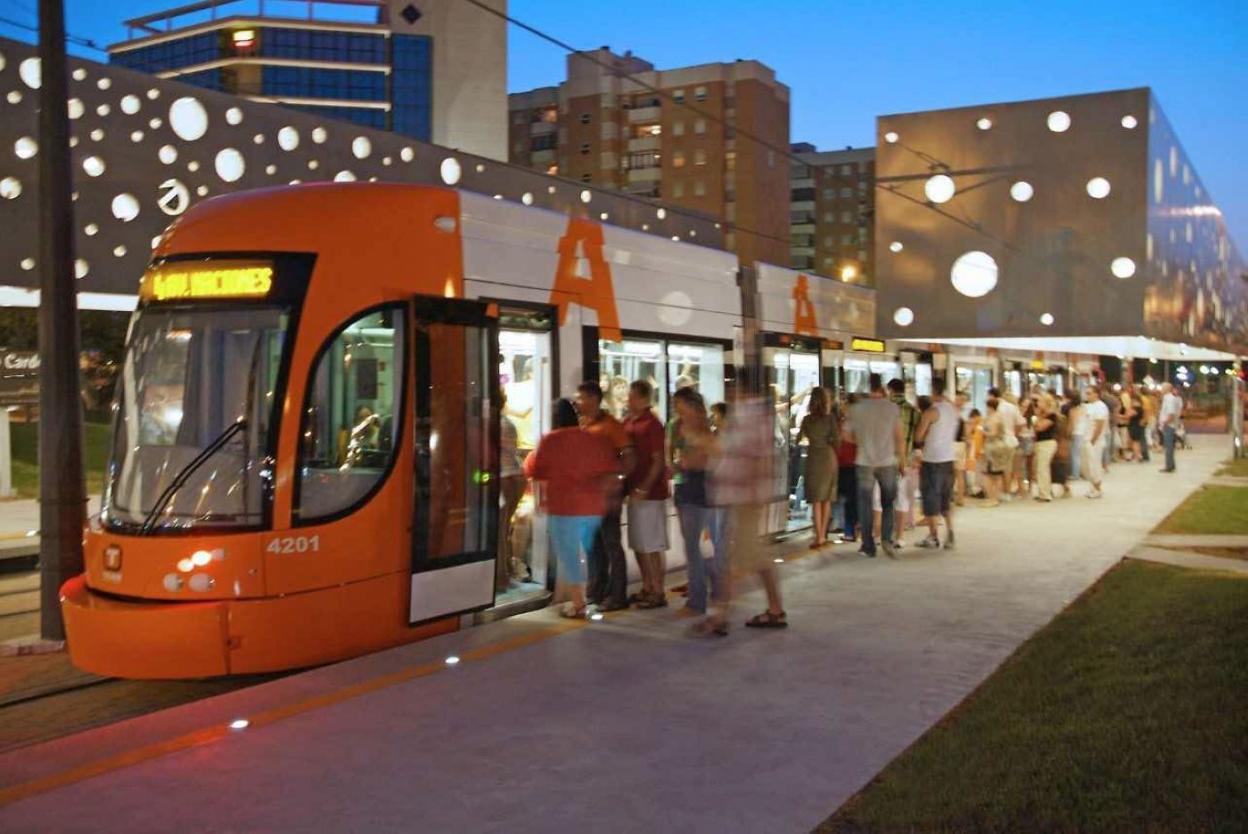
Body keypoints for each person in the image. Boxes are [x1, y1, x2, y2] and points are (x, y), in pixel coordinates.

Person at [524, 399, 620, 618]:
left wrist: (540, 503)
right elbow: (609, 471)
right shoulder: (592, 439)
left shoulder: (549, 441)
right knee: (589, 553)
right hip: (592, 508)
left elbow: (538, 475)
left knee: (570, 556)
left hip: (564, 508)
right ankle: (590, 595)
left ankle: (578, 603)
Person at [712, 384, 786, 632]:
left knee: (736, 560)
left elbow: (758, 460)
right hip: (744, 498)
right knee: (755, 557)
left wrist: (754, 493)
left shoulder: (750, 418)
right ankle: (774, 609)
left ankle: (720, 615)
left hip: (746, 499)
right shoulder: (749, 417)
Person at [576, 382, 635, 611]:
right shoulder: (583, 424)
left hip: (607, 495)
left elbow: (630, 456)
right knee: (592, 545)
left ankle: (617, 595)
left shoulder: (611, 426)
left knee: (611, 543)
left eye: (581, 398)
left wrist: (617, 480)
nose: (578, 402)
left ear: (593, 399)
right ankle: (595, 592)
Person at [671, 386, 726, 619]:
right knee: (695, 546)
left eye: (680, 406)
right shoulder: (679, 427)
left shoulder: (704, 432)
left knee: (694, 548)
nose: (677, 410)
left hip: (699, 489)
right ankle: (716, 589)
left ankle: (698, 600)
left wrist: (694, 463)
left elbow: (716, 457)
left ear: (692, 407)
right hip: (685, 487)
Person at [622, 380, 670, 609]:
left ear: (643, 399)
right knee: (639, 543)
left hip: (650, 494)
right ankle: (648, 586)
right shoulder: (629, 421)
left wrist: (644, 488)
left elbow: (658, 461)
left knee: (651, 544)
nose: (628, 401)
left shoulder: (652, 425)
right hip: (634, 491)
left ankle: (658, 590)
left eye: (631, 397)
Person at [847, 374, 903, 559]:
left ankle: (868, 545)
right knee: (888, 502)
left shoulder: (856, 409)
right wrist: (901, 459)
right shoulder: (892, 408)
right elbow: (899, 436)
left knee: (865, 503)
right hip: (887, 461)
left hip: (864, 461)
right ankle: (886, 539)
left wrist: (862, 441)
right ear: (882, 388)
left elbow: (846, 435)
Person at [914, 379, 958, 550]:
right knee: (946, 498)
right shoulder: (952, 410)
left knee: (931, 498)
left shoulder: (931, 412)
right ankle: (951, 531)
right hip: (948, 458)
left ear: (932, 390)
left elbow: (918, 436)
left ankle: (933, 536)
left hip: (932, 459)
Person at [799, 387, 839, 548]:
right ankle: (823, 535)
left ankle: (818, 536)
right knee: (827, 498)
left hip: (813, 458)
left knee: (816, 499)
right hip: (829, 458)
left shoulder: (807, 420)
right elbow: (837, 441)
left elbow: (798, 438)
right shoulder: (830, 419)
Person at [497, 391, 528, 591]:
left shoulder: (494, 424)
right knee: (505, 527)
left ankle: (501, 577)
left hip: (504, 477)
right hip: (516, 475)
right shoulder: (507, 423)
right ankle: (507, 570)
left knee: (499, 530)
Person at [887, 378, 921, 547]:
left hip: (883, 460)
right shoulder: (913, 411)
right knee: (901, 498)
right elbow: (919, 436)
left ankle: (881, 534)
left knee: (881, 499)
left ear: (890, 390)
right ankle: (900, 537)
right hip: (904, 461)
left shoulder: (884, 409)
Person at [988, 387, 1023, 498]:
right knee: (1008, 467)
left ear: (993, 396)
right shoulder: (1012, 407)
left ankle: (1001, 491)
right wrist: (1014, 433)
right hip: (1012, 440)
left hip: (999, 440)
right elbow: (1021, 423)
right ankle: (1008, 492)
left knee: (999, 468)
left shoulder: (996, 409)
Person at [1078, 387, 1110, 497]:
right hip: (1087, 439)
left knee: (1094, 465)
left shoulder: (1100, 407)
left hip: (1094, 441)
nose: (1087, 396)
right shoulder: (1090, 406)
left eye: (1089, 393)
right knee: (1089, 465)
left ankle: (1098, 488)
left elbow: (1100, 424)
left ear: (1096, 394)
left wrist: (1093, 439)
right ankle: (1092, 487)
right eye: (1086, 393)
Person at [835, 395, 859, 542]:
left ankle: (850, 530)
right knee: (850, 498)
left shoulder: (850, 423)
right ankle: (850, 528)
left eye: (845, 403)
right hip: (847, 463)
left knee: (850, 499)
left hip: (849, 464)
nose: (842, 406)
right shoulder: (846, 421)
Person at [982, 396, 1012, 507]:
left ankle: (992, 498)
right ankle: (995, 497)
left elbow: (993, 433)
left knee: (989, 474)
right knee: (997, 474)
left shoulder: (993, 418)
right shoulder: (999, 417)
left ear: (990, 407)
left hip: (993, 447)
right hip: (1000, 445)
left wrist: (983, 432)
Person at [1032, 396, 1058, 501]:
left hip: (1047, 443)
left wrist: (1037, 419)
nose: (1038, 404)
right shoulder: (1040, 415)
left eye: (1040, 402)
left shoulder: (1052, 415)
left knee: (1043, 468)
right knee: (1039, 468)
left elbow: (1040, 427)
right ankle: (1042, 490)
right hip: (1039, 443)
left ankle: (1045, 494)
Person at [1158, 382, 1183, 473]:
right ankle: (1171, 464)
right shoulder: (1174, 398)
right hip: (1172, 425)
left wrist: (1165, 422)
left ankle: (1169, 466)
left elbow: (1171, 413)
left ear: (1166, 389)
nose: (1160, 390)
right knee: (1170, 446)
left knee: (1168, 446)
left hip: (1168, 425)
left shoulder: (1168, 399)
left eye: (1162, 388)